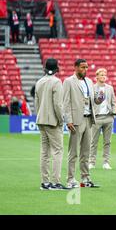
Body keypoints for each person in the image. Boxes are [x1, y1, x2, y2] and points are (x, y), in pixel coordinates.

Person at [63, 59, 103, 188]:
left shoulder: (89, 81)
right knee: (73, 152)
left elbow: (92, 101)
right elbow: (66, 102)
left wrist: (99, 99)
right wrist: (68, 120)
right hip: (76, 121)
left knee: (86, 152)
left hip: (89, 119)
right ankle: (70, 179)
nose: (85, 69)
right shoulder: (69, 81)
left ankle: (85, 179)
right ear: (75, 67)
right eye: (82, 67)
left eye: (86, 67)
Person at [35, 58, 67, 190]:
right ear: (56, 69)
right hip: (53, 121)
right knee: (57, 151)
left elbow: (36, 103)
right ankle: (56, 182)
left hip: (41, 119)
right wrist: (61, 119)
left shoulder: (39, 81)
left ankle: (45, 182)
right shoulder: (57, 82)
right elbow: (58, 104)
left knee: (44, 152)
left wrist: (39, 116)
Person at [89, 69, 116, 170]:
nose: (104, 76)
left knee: (107, 142)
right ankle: (92, 162)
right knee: (93, 141)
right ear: (97, 77)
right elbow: (90, 102)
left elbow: (114, 101)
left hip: (108, 118)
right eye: (101, 75)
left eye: (105, 75)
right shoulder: (92, 88)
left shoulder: (110, 88)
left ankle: (106, 162)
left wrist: (113, 113)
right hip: (97, 118)